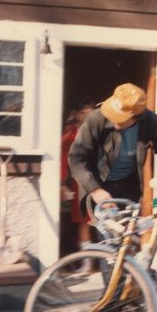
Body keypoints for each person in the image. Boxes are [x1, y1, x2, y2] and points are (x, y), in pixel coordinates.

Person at [68, 83, 157, 211]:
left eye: (119, 117)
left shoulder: (152, 122)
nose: (113, 118)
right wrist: (95, 189)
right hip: (99, 183)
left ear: (136, 116)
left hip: (129, 185)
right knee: (108, 228)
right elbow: (76, 158)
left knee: (131, 227)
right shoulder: (96, 119)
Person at [60, 101, 94, 258]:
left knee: (105, 220)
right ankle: (86, 262)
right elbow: (63, 159)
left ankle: (108, 262)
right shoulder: (70, 134)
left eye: (90, 112)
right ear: (76, 114)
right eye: (83, 112)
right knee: (83, 221)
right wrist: (61, 183)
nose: (87, 116)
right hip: (80, 180)